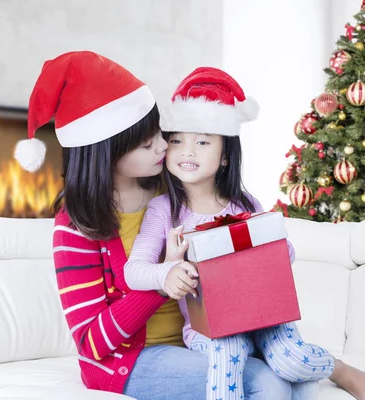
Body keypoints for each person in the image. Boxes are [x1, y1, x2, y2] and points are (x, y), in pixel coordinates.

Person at [15, 51, 299, 400]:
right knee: (264, 384)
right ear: (109, 153)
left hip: (202, 338)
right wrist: (162, 281)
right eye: (148, 143)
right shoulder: (76, 227)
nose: (165, 147)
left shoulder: (172, 190)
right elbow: (92, 342)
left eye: (162, 135)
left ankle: (335, 369)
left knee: (290, 377)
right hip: (130, 361)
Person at [125, 67, 365, 400]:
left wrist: (277, 252)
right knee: (226, 353)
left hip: (263, 316)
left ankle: (341, 370)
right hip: (210, 327)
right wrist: (167, 272)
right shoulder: (164, 210)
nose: (187, 151)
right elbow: (134, 272)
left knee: (291, 362)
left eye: (202, 141)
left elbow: (280, 255)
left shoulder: (244, 204)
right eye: (177, 140)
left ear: (224, 157)